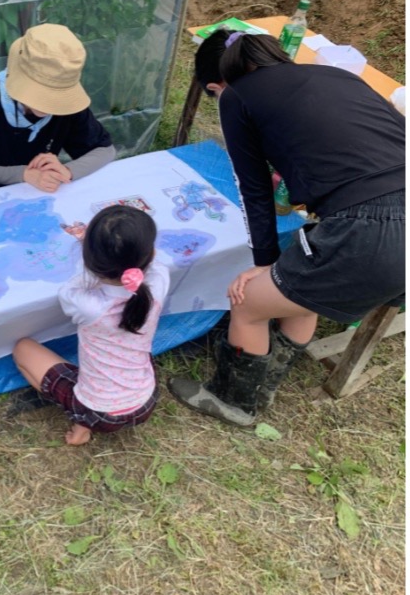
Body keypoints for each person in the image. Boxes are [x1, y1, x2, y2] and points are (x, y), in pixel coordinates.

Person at [169, 30, 405, 426]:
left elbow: (255, 189)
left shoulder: (236, 97)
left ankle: (235, 400)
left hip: (371, 228)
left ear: (215, 87)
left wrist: (264, 263)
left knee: (248, 301)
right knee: (299, 289)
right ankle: (265, 378)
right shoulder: (337, 75)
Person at [12, 205, 170, 445]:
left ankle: (81, 424)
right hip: (145, 400)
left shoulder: (88, 305)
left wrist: (91, 252)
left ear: (87, 259)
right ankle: (83, 422)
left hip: (98, 413)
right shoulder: (159, 283)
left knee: (22, 348)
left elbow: (69, 288)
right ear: (151, 254)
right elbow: (153, 265)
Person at [0, 23, 116, 198]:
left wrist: (66, 170)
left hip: (33, 185)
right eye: (43, 93)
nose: (50, 105)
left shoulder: (67, 107)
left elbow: (105, 150)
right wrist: (25, 174)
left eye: (57, 95)